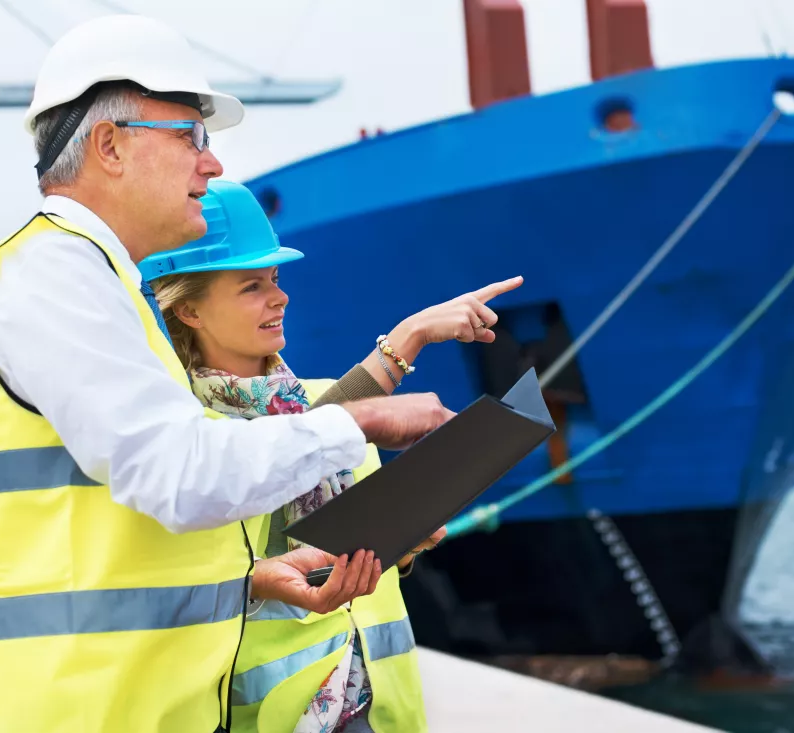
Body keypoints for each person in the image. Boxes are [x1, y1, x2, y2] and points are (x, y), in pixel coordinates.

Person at [0, 14, 454, 733]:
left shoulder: (98, 287)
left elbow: (124, 540)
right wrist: (358, 419)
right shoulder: (49, 274)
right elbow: (178, 473)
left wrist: (245, 581)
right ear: (110, 145)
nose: (212, 165)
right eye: (191, 136)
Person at [143, 180, 523, 732]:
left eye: (275, 280)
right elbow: (191, 573)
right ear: (189, 310)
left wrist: (403, 543)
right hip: (276, 715)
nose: (279, 298)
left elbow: (319, 440)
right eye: (251, 286)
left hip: (381, 705)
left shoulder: (324, 407)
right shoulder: (186, 434)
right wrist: (410, 335)